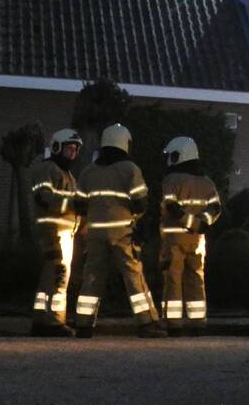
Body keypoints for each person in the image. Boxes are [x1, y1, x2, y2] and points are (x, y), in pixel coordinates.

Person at [73, 124, 166, 339]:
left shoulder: (88, 171)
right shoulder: (130, 169)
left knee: (92, 277)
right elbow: (140, 203)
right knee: (133, 277)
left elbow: (79, 204)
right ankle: (147, 323)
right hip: (122, 234)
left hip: (95, 235)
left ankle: (84, 324)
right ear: (124, 143)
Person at [159, 137, 222, 335]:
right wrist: (201, 223)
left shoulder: (170, 180)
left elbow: (171, 207)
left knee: (173, 280)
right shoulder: (207, 182)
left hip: (174, 240)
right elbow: (216, 208)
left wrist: (189, 223)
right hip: (197, 241)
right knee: (196, 278)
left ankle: (173, 324)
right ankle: (197, 323)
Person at [29, 128, 83, 337]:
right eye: (69, 149)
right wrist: (75, 204)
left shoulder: (67, 174)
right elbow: (44, 198)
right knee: (59, 276)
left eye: (75, 150)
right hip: (52, 231)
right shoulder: (48, 170)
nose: (73, 154)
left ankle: (41, 320)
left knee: (49, 278)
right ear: (57, 147)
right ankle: (54, 322)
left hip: (64, 232)